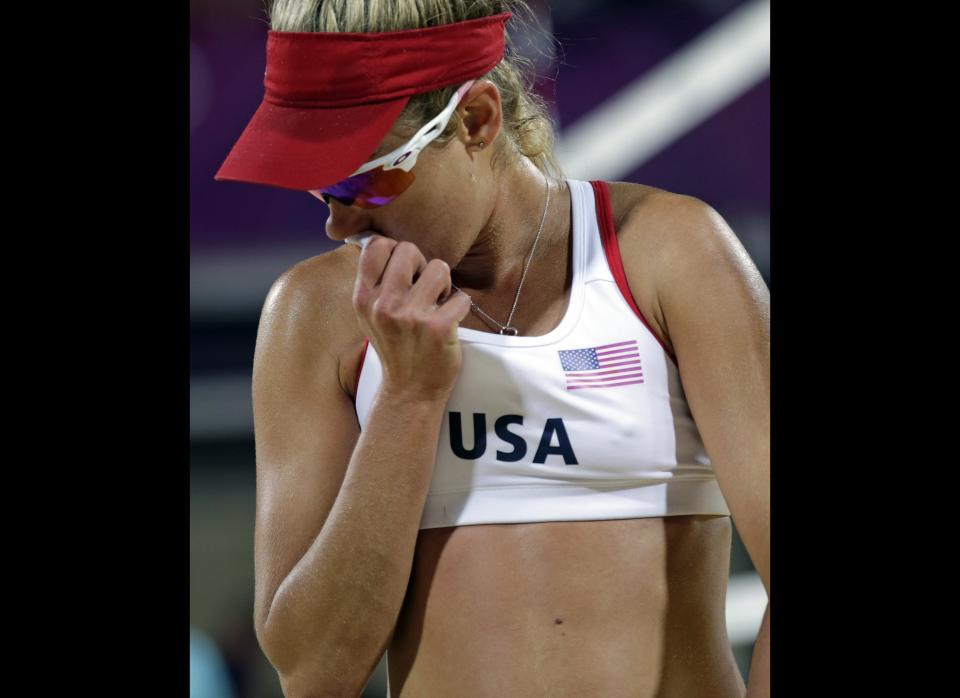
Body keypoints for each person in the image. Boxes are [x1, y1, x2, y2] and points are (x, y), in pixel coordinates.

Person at [214, 2, 769, 697]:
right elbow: (315, 670)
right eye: (320, 187)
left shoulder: (672, 256)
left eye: (366, 180)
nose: (337, 221)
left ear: (476, 120)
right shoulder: (314, 316)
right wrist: (409, 402)